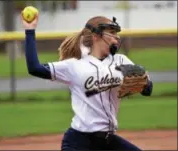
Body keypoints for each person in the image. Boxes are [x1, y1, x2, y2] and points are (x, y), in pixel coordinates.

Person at [22, 13, 153, 150]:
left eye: (117, 33)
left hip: (108, 141)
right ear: (96, 36)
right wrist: (30, 30)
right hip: (79, 142)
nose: (116, 37)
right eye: (112, 33)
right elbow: (34, 68)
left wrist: (145, 84)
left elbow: (148, 90)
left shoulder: (121, 61)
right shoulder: (75, 65)